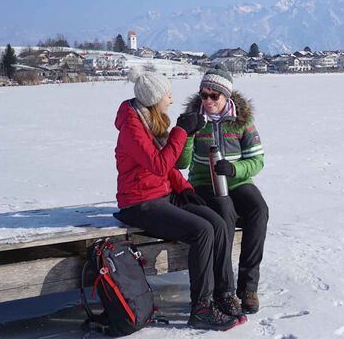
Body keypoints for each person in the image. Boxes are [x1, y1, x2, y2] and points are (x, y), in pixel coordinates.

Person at [112, 69, 246, 331]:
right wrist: (181, 131)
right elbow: (159, 164)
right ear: (155, 99)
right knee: (202, 230)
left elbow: (167, 166)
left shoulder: (149, 119)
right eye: (168, 95)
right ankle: (202, 307)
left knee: (217, 222)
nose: (172, 100)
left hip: (161, 194)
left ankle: (223, 293)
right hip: (139, 203)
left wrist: (183, 188)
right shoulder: (132, 127)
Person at [177, 65, 269, 314]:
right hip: (204, 184)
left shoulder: (243, 121)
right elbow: (181, 164)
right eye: (203, 95)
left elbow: (258, 160)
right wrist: (186, 134)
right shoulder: (194, 118)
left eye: (213, 96)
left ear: (226, 96)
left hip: (237, 182)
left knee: (258, 209)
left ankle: (248, 287)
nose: (207, 101)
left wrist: (234, 169)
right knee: (224, 210)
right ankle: (222, 287)